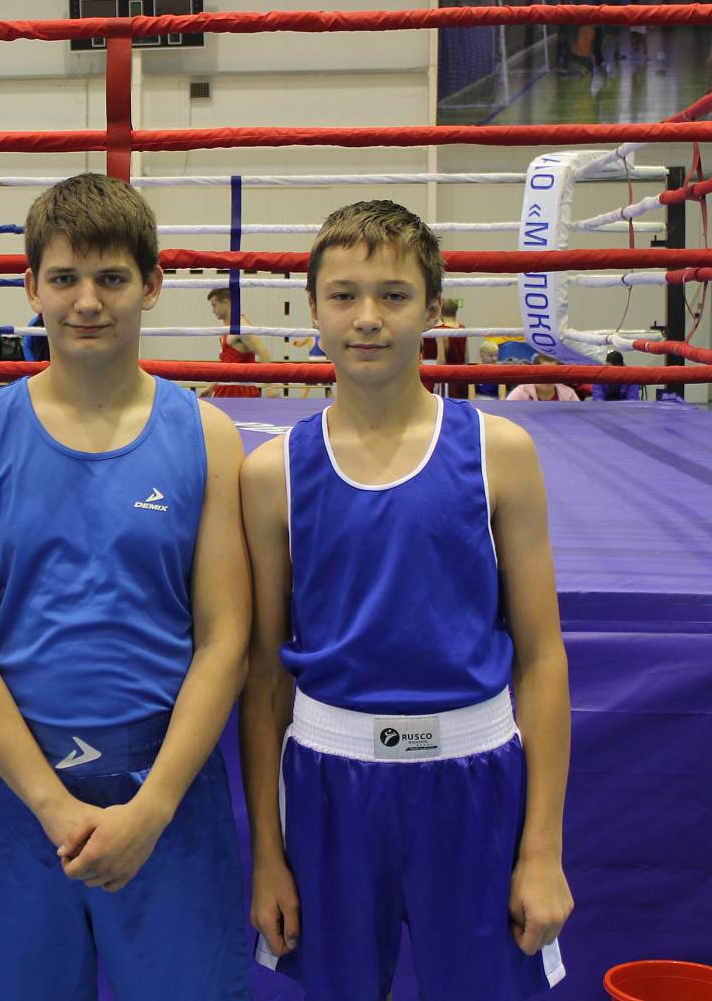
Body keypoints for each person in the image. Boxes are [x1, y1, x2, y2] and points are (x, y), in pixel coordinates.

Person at [0, 173, 252, 999]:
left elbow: (225, 639)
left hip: (164, 788)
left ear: (152, 284)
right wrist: (49, 802)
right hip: (18, 790)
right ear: (31, 287)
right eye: (65, 278)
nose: (86, 302)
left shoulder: (206, 435)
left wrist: (154, 807)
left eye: (110, 278)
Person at [240, 200, 572, 999]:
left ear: (432, 308)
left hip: (476, 781)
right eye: (344, 295)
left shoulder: (499, 452)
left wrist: (542, 849)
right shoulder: (271, 474)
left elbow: (542, 657)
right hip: (329, 786)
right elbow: (264, 677)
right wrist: (267, 855)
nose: (368, 317)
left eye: (393, 295)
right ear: (312, 309)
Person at [206, 287, 269, 398]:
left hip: (241, 392)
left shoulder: (241, 326)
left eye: (214, 305)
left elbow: (263, 351)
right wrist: (212, 386)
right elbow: (226, 365)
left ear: (226, 302)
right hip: (224, 390)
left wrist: (270, 387)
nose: (213, 310)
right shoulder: (226, 330)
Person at [507, 354, 581, 401]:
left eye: (553, 373)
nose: (548, 377)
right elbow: (505, 416)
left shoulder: (568, 394)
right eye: (543, 373)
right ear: (534, 373)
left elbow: (579, 417)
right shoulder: (520, 393)